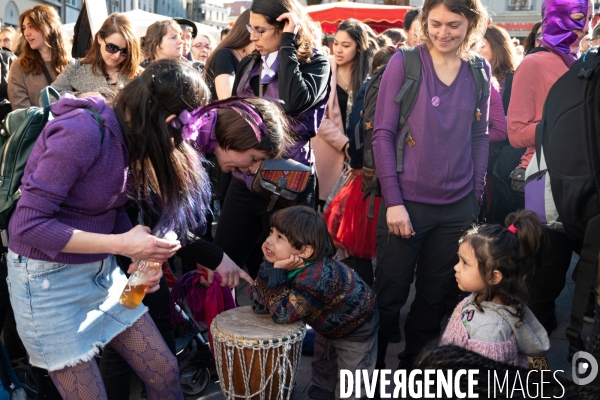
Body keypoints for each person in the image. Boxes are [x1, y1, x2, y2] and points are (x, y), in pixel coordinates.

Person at [6, 58, 223, 398]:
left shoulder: (128, 134)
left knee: (165, 373)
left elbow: (110, 205)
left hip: (101, 274)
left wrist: (137, 256)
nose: (179, 145)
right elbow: (26, 227)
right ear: (167, 120)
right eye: (181, 134)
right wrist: (122, 245)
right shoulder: (83, 130)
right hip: (46, 284)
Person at [99, 82, 295, 400]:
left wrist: (218, 259)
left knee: (144, 336)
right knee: (127, 338)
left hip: (140, 251)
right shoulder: (179, 143)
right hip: (125, 248)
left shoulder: (192, 139)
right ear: (237, 138)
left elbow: (166, 225)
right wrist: (217, 258)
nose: (254, 169)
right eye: (255, 157)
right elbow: (161, 223)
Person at [372, 0, 490, 371]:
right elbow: (382, 135)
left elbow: (480, 135)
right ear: (424, 21)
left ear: (471, 23)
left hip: (458, 208)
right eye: (435, 23)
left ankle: (415, 372)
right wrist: (393, 200)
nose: (443, 32)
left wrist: (475, 196)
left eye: (453, 24)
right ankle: (367, 373)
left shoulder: (479, 68)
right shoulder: (404, 62)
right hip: (405, 203)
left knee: (434, 298)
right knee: (389, 297)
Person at [216, 0, 330, 282]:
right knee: (222, 263)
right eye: (249, 28)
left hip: (287, 186)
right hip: (245, 183)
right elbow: (233, 117)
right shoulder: (249, 62)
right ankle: (218, 324)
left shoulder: (316, 63)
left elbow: (293, 103)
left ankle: (277, 324)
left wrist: (288, 45)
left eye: (260, 29)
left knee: (282, 274)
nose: (251, 37)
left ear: (284, 27)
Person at [506, 0, 593, 334]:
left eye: (586, 17)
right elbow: (515, 133)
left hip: (584, 182)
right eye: (574, 16)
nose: (583, 26)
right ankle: (534, 369)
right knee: (543, 283)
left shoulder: (583, 61)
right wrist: (565, 128)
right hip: (544, 181)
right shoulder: (534, 64)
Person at [249, 206, 378, 400]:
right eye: (271, 232)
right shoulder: (281, 263)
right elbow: (259, 305)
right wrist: (270, 267)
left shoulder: (317, 278)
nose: (268, 240)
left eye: (280, 238)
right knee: (322, 371)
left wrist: (275, 272)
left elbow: (282, 315)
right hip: (327, 325)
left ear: (305, 251)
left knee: (352, 386)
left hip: (356, 328)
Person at [324, 46, 397, 287]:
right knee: (387, 247)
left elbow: (356, 126)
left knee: (360, 243)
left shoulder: (370, 85)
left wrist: (356, 162)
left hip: (367, 176)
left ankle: (364, 294)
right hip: (395, 177)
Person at [440, 210, 550, 367]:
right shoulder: (483, 296)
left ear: (493, 277)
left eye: (465, 263)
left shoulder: (489, 332)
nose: (456, 267)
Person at [314, 18, 371, 208]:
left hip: (359, 159)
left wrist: (355, 148)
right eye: (335, 43)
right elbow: (317, 115)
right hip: (327, 153)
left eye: (345, 45)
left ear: (359, 47)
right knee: (322, 213)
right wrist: (344, 143)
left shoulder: (369, 74)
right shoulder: (324, 68)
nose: (338, 49)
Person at [51, 13, 141, 99]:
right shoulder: (75, 68)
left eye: (124, 51)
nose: (117, 56)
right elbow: (49, 97)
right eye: (112, 47)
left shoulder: (139, 76)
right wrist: (83, 96)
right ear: (99, 38)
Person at [8, 5, 69, 110]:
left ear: (50, 27)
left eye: (31, 26)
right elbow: (22, 112)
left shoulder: (69, 65)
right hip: (38, 126)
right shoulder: (20, 67)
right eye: (24, 28)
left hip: (70, 125)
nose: (26, 33)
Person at [205, 9, 254, 101]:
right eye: (257, 30)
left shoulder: (252, 59)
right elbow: (227, 101)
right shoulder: (224, 55)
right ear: (246, 33)